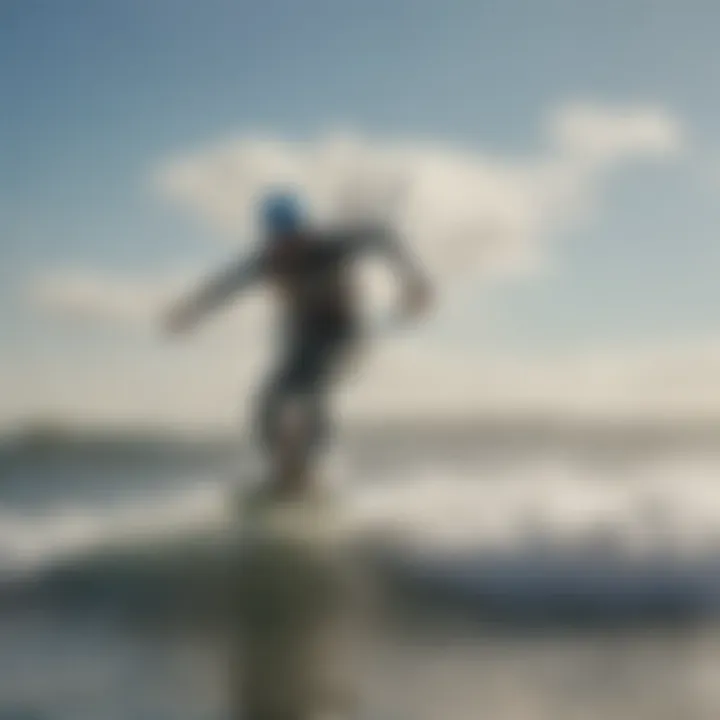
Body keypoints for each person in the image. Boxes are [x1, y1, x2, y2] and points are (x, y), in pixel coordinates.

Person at [164, 190, 431, 495]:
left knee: (311, 394)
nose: (287, 246)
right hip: (303, 340)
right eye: (279, 239)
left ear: (302, 230)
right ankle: (284, 473)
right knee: (268, 402)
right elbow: (226, 285)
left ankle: (308, 470)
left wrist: (412, 280)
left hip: (343, 337)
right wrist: (190, 310)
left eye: (292, 237)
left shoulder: (330, 247)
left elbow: (382, 235)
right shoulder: (268, 262)